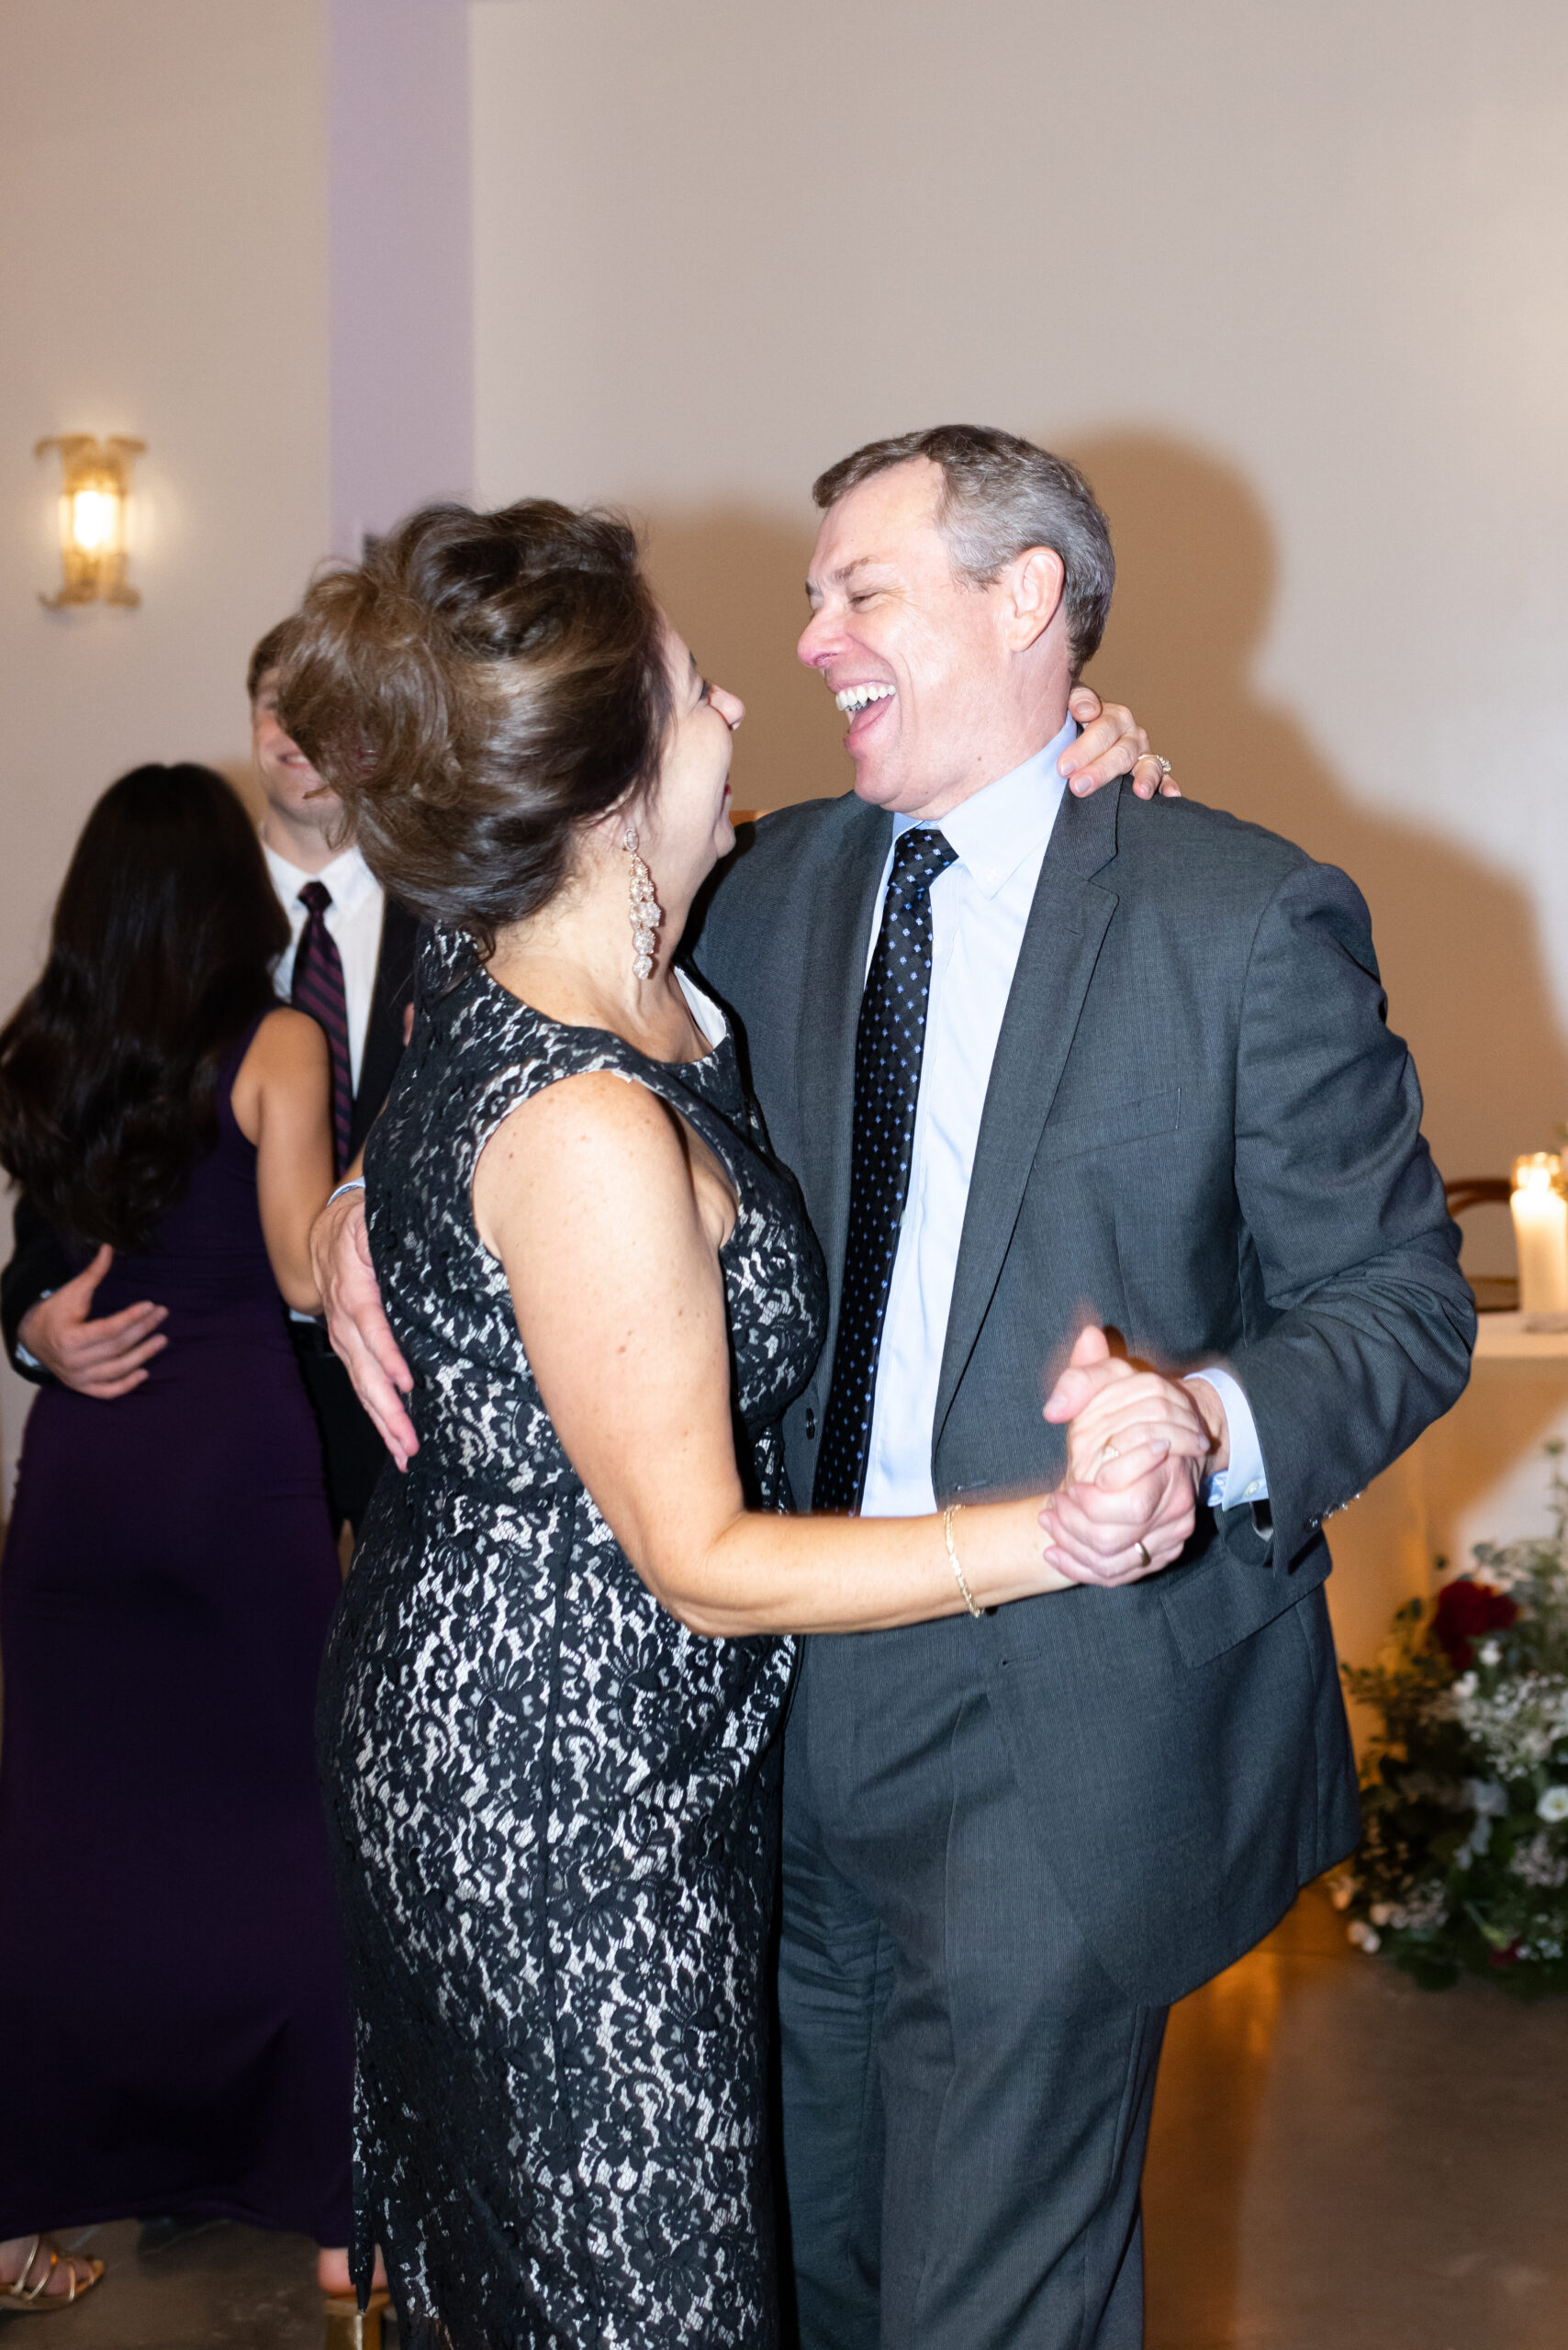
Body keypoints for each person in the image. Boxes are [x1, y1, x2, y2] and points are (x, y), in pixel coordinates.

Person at [316, 431, 1475, 2350]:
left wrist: (1202, 1416)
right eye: (801, 590)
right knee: (785, 2274)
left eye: (861, 587)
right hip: (737, 1714)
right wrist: (378, 1181)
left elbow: (1397, 1300)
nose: (808, 634)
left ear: (1025, 601)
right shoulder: (753, 891)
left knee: (985, 2301)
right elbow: (528, 1011)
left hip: (1056, 1715)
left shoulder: (1232, 912)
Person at [0, 767, 362, 2322]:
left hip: (82, 1474)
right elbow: (297, 1270)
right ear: (229, 895)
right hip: (235, 1470)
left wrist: (35, 1331)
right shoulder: (278, 1041)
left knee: (66, 1848)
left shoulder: (40, 1047)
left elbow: (43, 1260)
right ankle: (329, 2206)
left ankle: (24, 2206)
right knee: (289, 1831)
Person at [0, 625, 419, 1540]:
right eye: (277, 700)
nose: (296, 724)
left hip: (408, 1389)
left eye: (328, 704)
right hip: (208, 1404)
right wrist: (34, 1323)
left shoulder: (453, 922)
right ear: (253, 717)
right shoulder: (160, 924)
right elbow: (61, 1173)